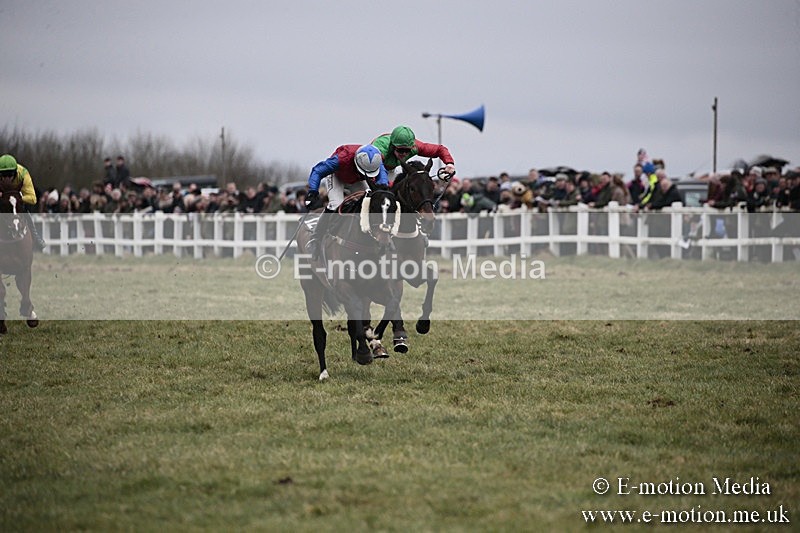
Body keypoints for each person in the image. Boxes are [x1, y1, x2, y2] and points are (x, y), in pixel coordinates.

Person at [304, 144, 388, 259]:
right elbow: (317, 171)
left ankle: (370, 239)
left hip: (357, 179)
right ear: (356, 162)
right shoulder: (342, 159)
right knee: (336, 204)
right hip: (337, 176)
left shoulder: (377, 162)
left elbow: (383, 184)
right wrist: (313, 192)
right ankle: (316, 239)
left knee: (368, 201)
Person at [371, 125, 456, 179]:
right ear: (392, 146)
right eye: (401, 150)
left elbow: (439, 149)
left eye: (407, 150)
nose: (404, 154)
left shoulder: (416, 146)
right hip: (370, 169)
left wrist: (449, 163)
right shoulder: (381, 148)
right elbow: (374, 166)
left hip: (390, 170)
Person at [0, 154, 46, 250]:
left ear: (15, 172)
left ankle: (35, 237)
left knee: (25, 212)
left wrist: (19, 199)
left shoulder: (23, 173)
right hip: (2, 200)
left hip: (17, 200)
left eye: (10, 175)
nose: (7, 179)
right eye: (4, 175)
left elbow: (33, 199)